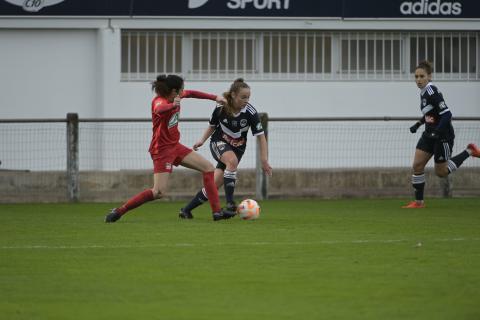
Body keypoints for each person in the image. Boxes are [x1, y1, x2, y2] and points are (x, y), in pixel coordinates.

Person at [105, 74, 236, 222]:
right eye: (181, 90)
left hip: (175, 146)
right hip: (161, 150)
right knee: (158, 192)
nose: (184, 92)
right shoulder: (159, 101)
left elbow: (192, 93)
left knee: (208, 168)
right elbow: (160, 109)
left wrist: (215, 97)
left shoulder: (177, 95)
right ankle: (120, 211)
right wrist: (173, 105)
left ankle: (217, 213)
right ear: (174, 91)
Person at [179, 78, 272, 219]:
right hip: (218, 142)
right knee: (232, 161)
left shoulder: (250, 112)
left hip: (238, 149)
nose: (246, 100)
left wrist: (264, 160)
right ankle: (230, 203)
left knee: (214, 185)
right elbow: (212, 126)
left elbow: (261, 137)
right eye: (243, 97)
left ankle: (186, 210)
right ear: (233, 95)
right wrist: (201, 140)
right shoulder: (221, 107)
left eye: (248, 97)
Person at [402, 60, 480, 208]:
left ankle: (469, 151)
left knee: (441, 172)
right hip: (429, 134)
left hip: (443, 136)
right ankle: (419, 203)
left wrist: (437, 133)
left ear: (429, 77)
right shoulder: (423, 92)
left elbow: (447, 115)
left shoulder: (432, 91)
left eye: (421, 76)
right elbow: (431, 113)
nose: (418, 80)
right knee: (417, 165)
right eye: (416, 76)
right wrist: (418, 124)